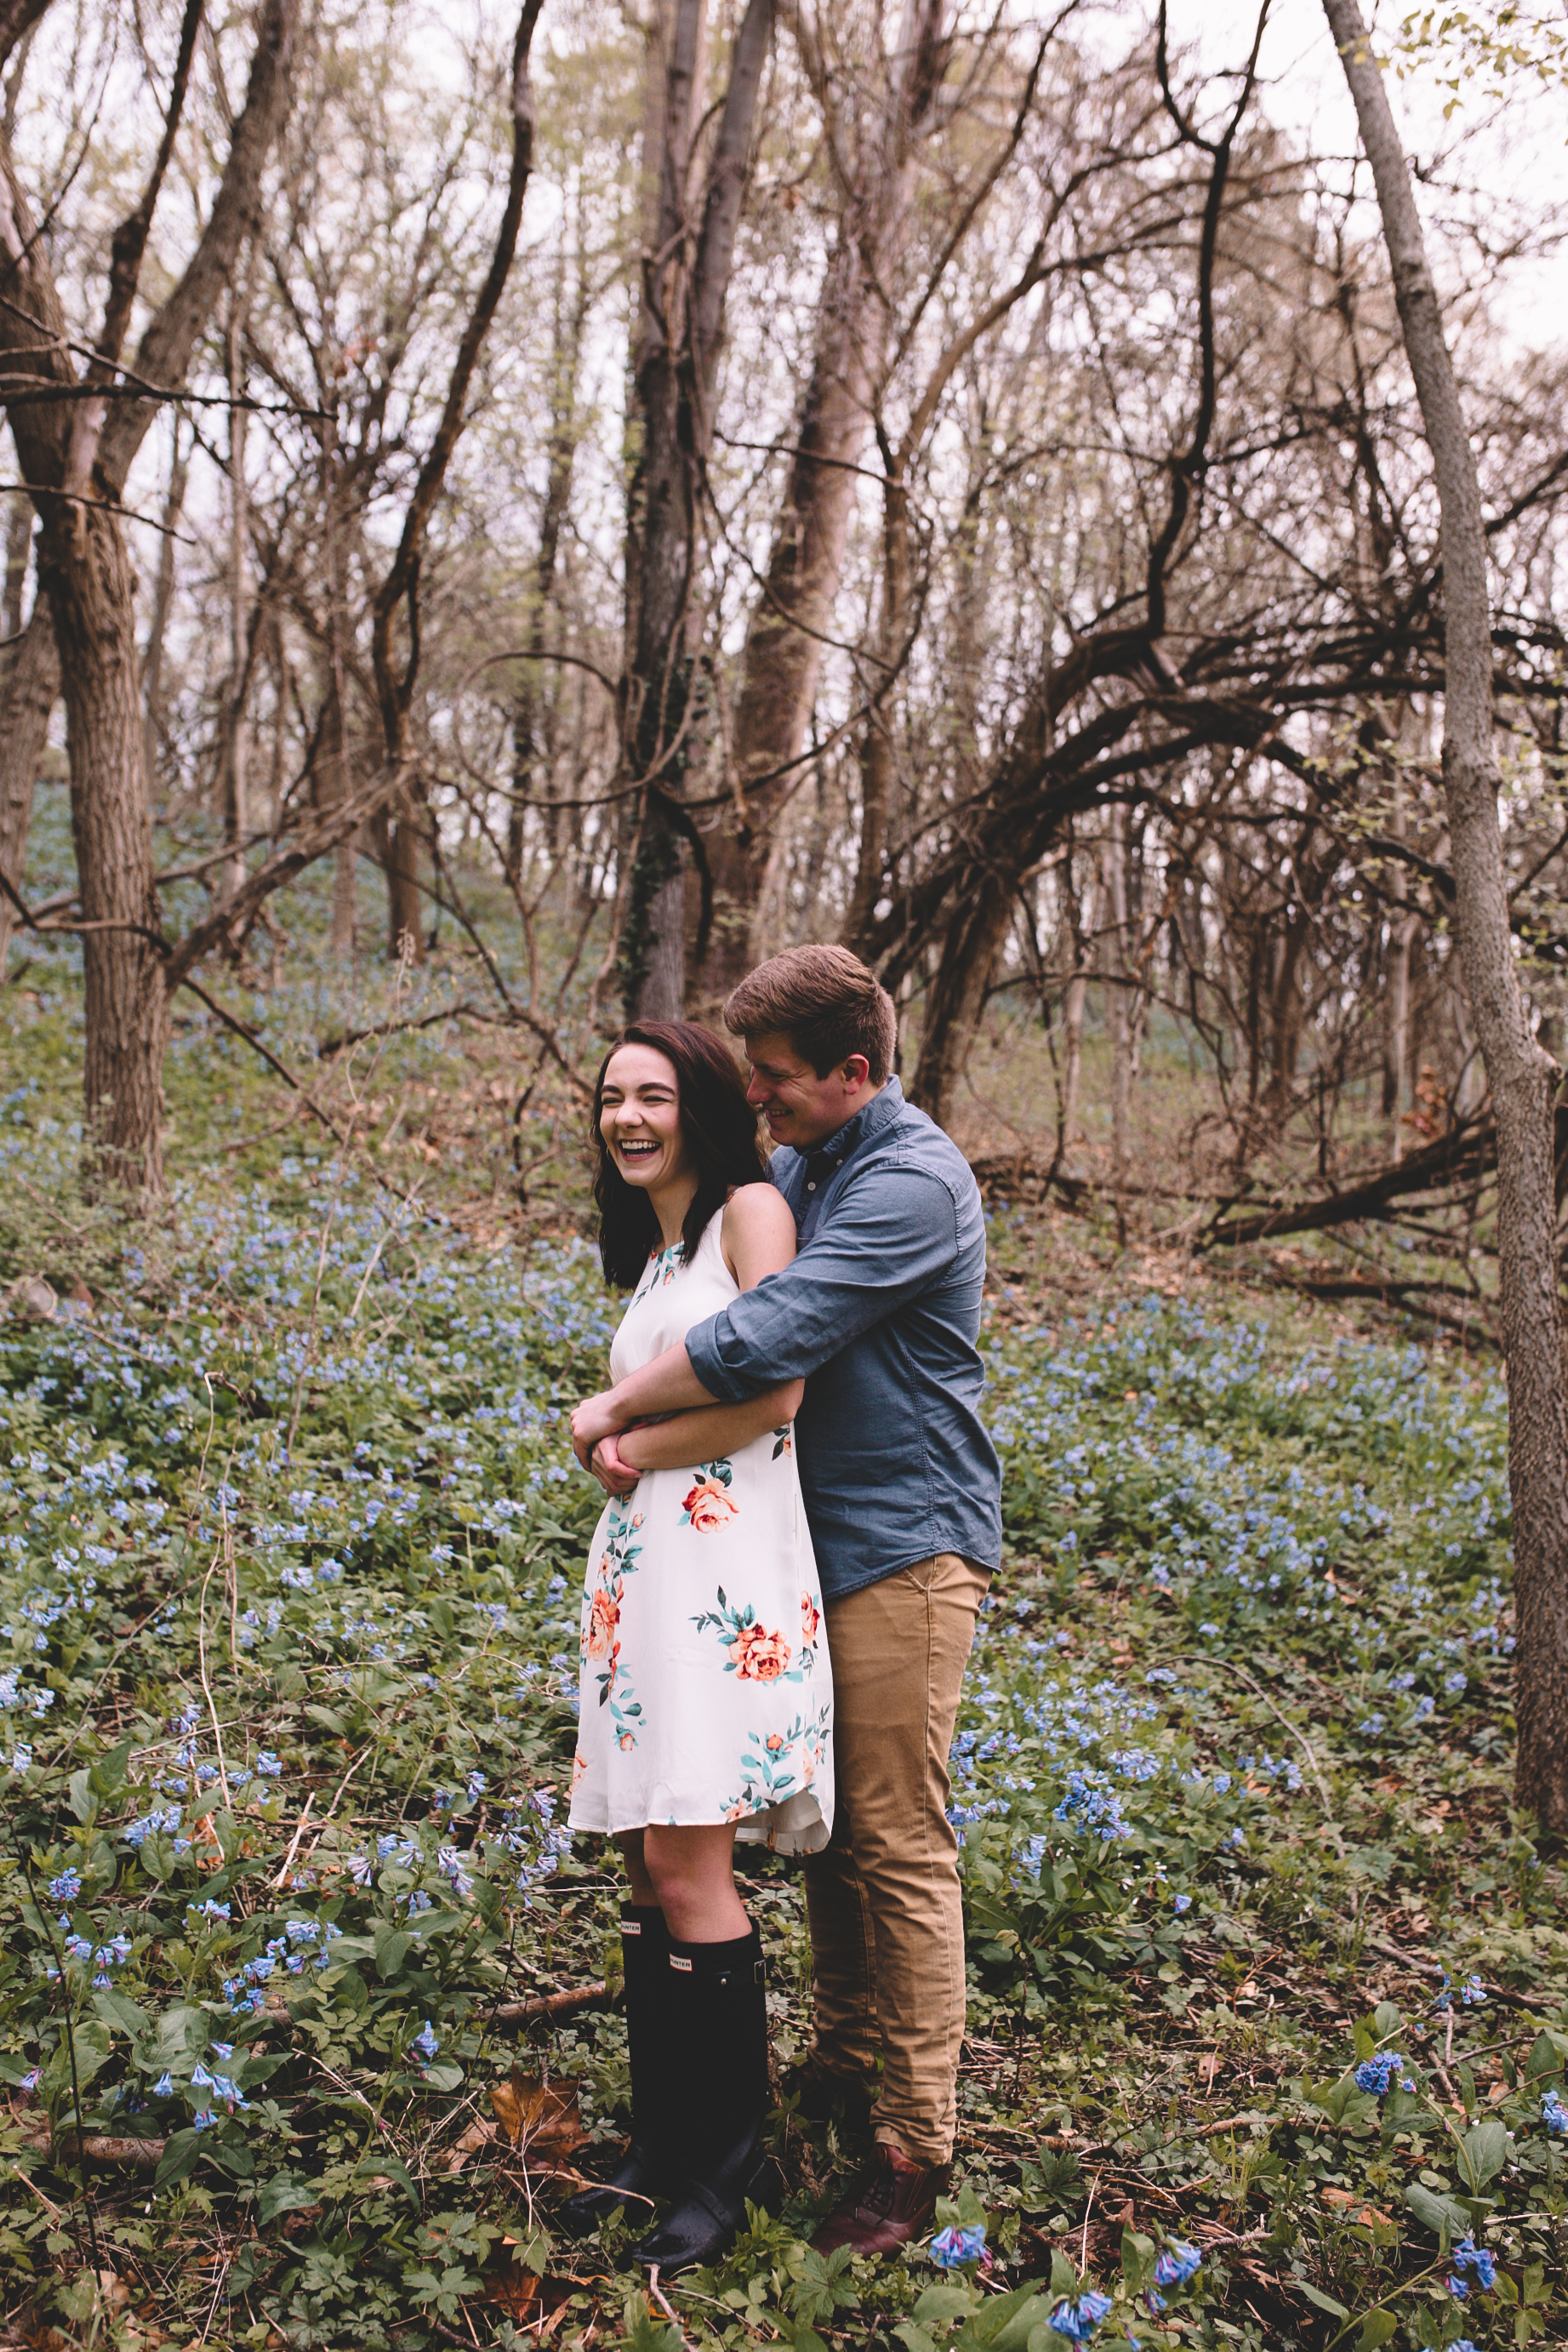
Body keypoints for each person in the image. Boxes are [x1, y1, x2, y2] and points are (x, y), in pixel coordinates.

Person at [573, 947, 1001, 2257]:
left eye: (775, 1085)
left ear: (854, 1075)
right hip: (804, 1544)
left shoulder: (910, 1183)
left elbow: (772, 1341)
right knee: (823, 1842)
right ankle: (833, 2066)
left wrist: (615, 1414)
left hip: (906, 1543)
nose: (757, 1106)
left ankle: (913, 2147)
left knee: (894, 1835)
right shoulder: (805, 1160)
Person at [559, 1019, 834, 2272]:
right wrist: (629, 1460)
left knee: (689, 1871)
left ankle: (721, 2181)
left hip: (721, 1577)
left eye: (653, 1095)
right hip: (648, 1576)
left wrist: (623, 1445)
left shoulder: (748, 1213)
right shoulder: (661, 1249)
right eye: (612, 1097)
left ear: (702, 1104)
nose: (626, 1117)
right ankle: (661, 2149)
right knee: (644, 1867)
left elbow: (775, 1393)